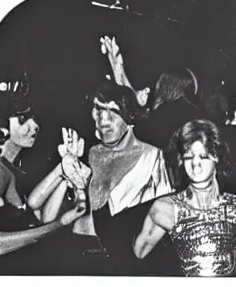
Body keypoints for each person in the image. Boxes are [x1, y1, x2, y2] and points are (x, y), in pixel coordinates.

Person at [0, 90, 87, 274]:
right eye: (23, 119)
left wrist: (63, 171)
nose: (34, 126)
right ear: (2, 123)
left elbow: (38, 216)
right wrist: (61, 223)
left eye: (35, 119)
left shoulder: (10, 169)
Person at [133, 119, 236, 277]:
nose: (195, 164)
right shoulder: (165, 208)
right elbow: (137, 256)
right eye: (188, 157)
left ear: (217, 158)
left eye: (203, 156)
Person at [72, 82, 173, 274]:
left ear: (129, 115)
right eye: (98, 111)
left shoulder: (153, 158)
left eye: (112, 111)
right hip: (78, 254)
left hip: (121, 263)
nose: (103, 120)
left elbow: (161, 226)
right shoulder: (91, 154)